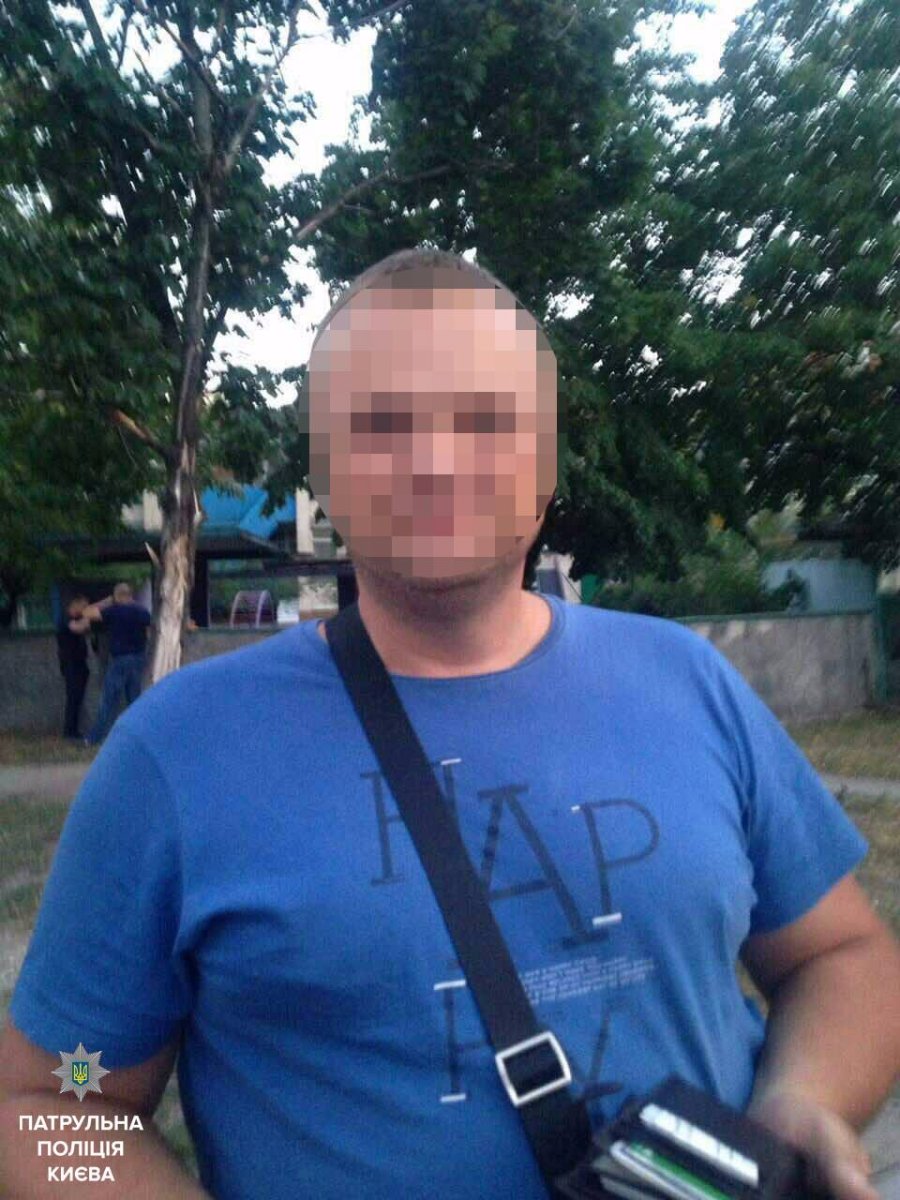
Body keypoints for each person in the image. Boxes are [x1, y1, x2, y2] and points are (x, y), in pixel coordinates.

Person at [2, 249, 899, 1200]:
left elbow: (840, 955)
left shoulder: (687, 680)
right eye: (383, 422)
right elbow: (46, 1107)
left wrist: (809, 1098)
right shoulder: (179, 752)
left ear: (545, 461)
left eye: (485, 417)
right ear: (325, 470)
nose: (435, 459)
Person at [81, 581, 152, 746]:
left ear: (117, 596)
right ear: (130, 595)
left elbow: (86, 613)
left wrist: (106, 601)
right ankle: (140, 737)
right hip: (138, 658)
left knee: (109, 699)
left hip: (120, 659)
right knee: (134, 699)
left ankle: (94, 737)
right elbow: (150, 628)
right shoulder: (141, 611)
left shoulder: (113, 610)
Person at [55, 594, 91, 740]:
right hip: (70, 663)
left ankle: (74, 729)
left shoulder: (77, 618)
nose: (84, 609)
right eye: (83, 606)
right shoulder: (65, 619)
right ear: (75, 604)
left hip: (80, 662)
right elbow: (77, 628)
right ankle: (69, 731)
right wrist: (87, 618)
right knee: (73, 697)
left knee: (78, 698)